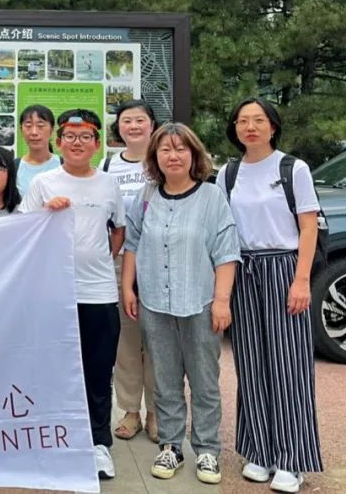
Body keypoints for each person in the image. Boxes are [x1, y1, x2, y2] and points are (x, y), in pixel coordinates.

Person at [121, 123, 241, 485]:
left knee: (204, 380)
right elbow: (132, 243)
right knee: (165, 378)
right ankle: (171, 445)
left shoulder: (211, 196)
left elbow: (226, 251)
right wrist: (128, 288)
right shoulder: (146, 196)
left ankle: (207, 450)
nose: (173, 156)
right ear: (154, 157)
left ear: (194, 154)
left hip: (200, 302)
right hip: (155, 303)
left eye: (180, 149)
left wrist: (222, 301)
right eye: (165, 150)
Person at [217, 98, 323, 493]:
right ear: (235, 128)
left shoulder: (293, 169)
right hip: (243, 270)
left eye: (259, 120)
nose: (250, 127)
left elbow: (308, 227)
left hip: (284, 267)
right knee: (250, 363)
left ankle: (292, 459)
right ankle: (259, 450)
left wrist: (301, 280)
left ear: (273, 126)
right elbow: (222, 227)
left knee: (288, 365)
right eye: (242, 120)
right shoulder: (228, 173)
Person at [17, 109, 125, 481]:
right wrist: (46, 212)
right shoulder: (43, 183)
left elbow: (119, 231)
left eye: (85, 137)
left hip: (98, 293)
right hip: (54, 294)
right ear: (59, 142)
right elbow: (22, 230)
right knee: (53, 368)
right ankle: (54, 438)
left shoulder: (108, 184)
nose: (77, 143)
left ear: (97, 144)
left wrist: (99, 258)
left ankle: (98, 444)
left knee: (98, 371)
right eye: (70, 137)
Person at [107, 100, 159, 444]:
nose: (134, 126)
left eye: (140, 120)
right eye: (127, 120)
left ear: (152, 124)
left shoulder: (163, 158)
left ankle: (156, 411)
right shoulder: (108, 164)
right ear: (119, 127)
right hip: (119, 260)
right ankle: (129, 410)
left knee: (158, 339)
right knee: (125, 340)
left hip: (158, 261)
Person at [15, 105, 61, 195]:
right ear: (21, 130)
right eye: (28, 126)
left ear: (52, 130)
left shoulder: (64, 165)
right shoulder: (14, 167)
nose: (34, 132)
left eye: (40, 126)